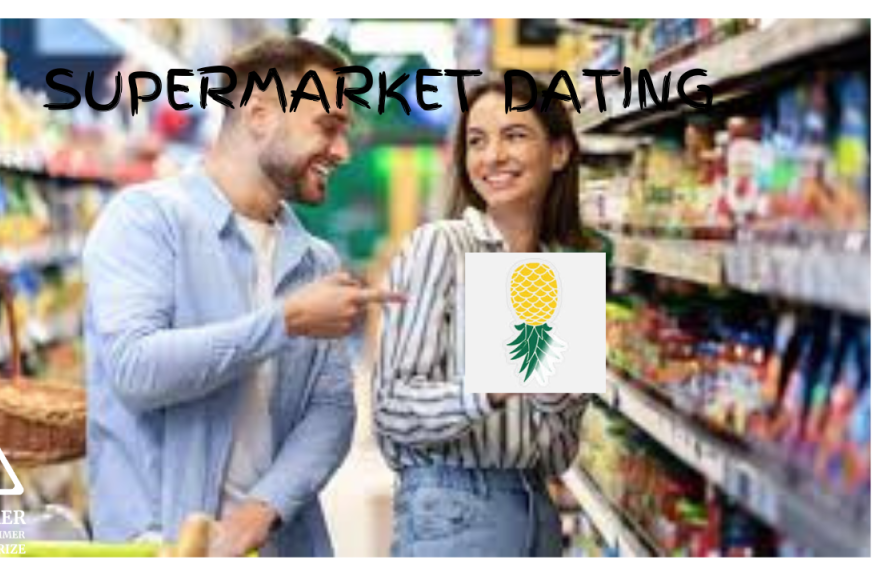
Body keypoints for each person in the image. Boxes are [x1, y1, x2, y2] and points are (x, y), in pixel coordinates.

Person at [84, 36, 401, 557]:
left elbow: (331, 411)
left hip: (278, 546)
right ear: (258, 114)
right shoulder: (146, 220)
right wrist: (285, 322)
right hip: (162, 547)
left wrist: (262, 510)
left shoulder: (314, 259)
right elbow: (135, 369)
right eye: (327, 125)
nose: (342, 151)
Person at [372, 77, 607, 556]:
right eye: (477, 141)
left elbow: (561, 454)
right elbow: (392, 410)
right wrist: (489, 388)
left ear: (559, 152)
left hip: (536, 513)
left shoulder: (563, 270)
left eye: (514, 135)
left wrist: (558, 398)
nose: (492, 155)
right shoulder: (440, 246)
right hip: (453, 510)